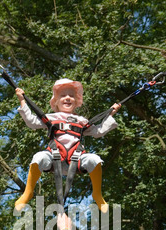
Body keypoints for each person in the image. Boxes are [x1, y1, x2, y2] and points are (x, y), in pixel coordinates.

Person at [14, 79, 121, 213]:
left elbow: (98, 132)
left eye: (71, 96)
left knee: (94, 159)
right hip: (54, 157)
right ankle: (27, 193)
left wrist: (110, 114)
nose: (67, 98)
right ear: (56, 102)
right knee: (39, 157)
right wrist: (22, 100)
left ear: (76, 101)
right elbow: (31, 122)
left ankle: (97, 194)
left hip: (76, 159)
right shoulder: (51, 117)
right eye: (63, 96)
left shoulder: (81, 121)